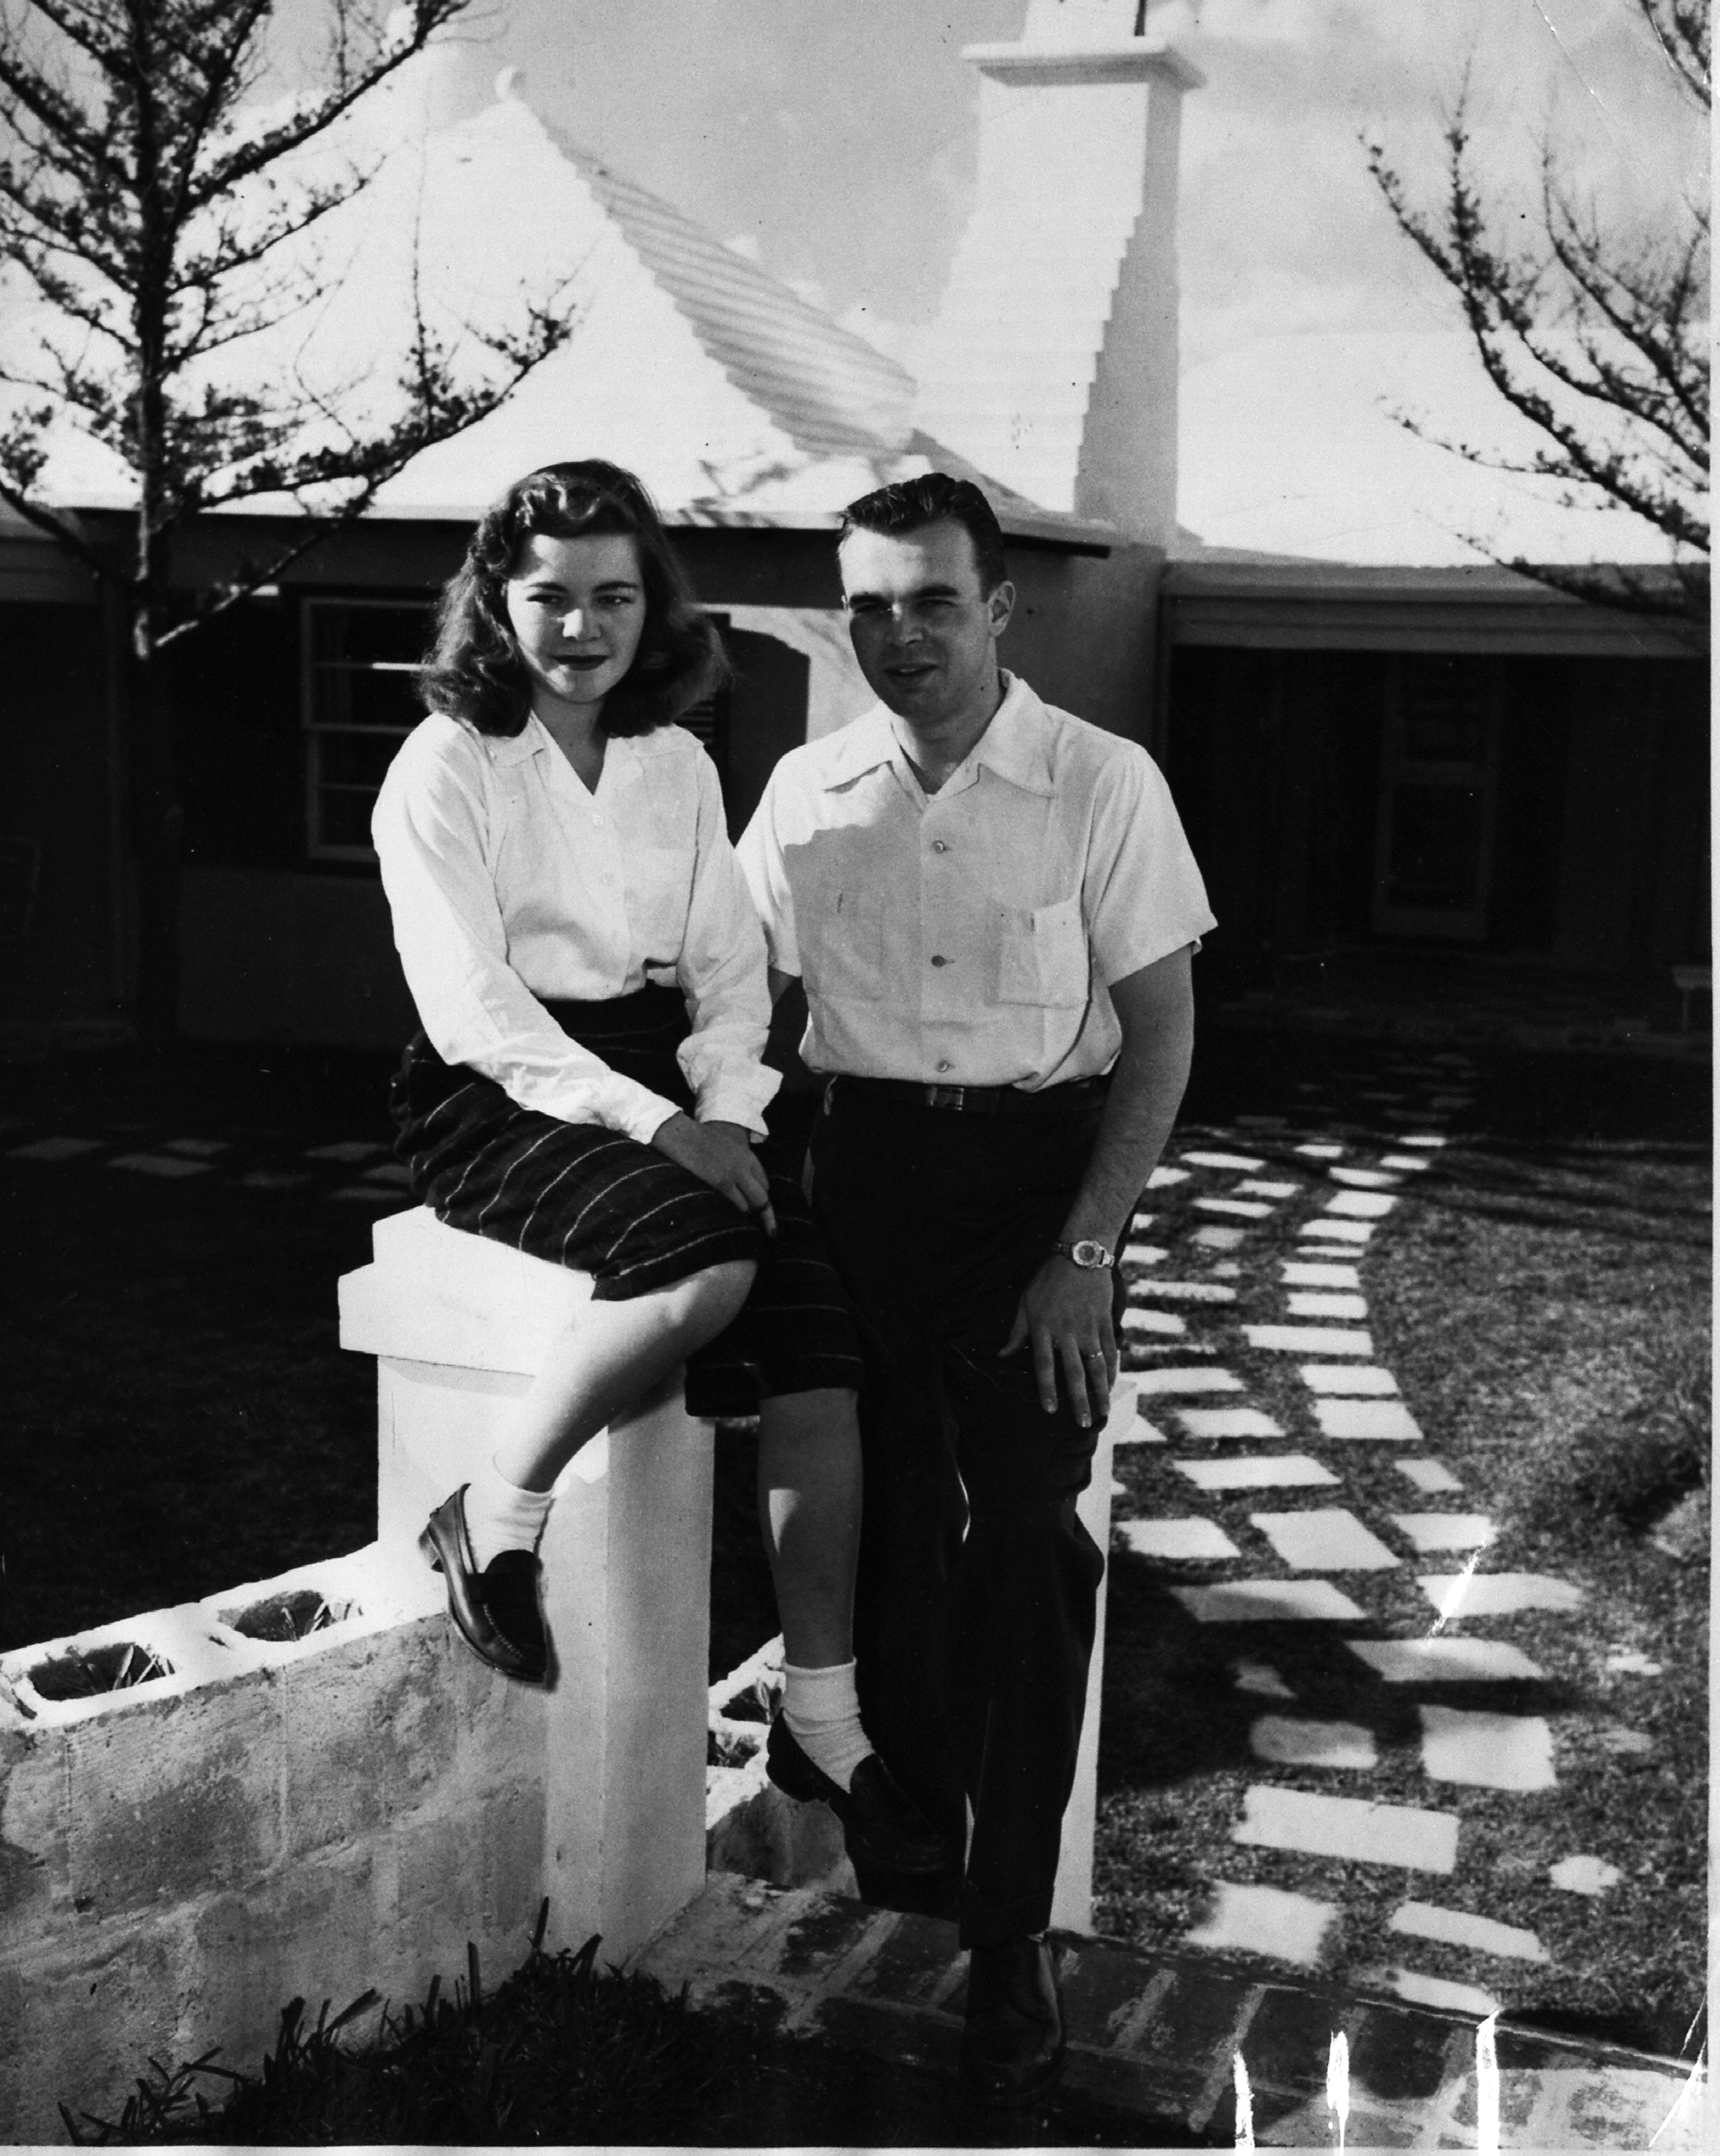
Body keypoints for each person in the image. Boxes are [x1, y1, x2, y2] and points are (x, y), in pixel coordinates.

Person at [370, 459, 946, 1879]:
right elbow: (475, 1009)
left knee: (822, 1350)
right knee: (705, 1260)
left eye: (614, 596)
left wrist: (730, 1110)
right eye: (549, 596)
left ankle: (822, 1718)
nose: (583, 627)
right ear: (495, 604)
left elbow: (727, 969)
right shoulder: (445, 764)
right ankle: (496, 1509)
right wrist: (661, 1127)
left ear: (652, 607)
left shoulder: (676, 761)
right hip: (495, 1092)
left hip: (669, 1080)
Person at [736, 472, 1215, 2107]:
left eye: (933, 599)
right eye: (868, 605)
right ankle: (906, 1830)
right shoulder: (805, 792)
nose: (900, 634)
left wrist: (1086, 1251)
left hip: (1032, 1195)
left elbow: (1162, 1037)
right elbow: (731, 992)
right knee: (882, 1520)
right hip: (861, 1172)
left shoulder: (1100, 780)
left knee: (1024, 1540)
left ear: (1000, 607)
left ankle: (1009, 1936)